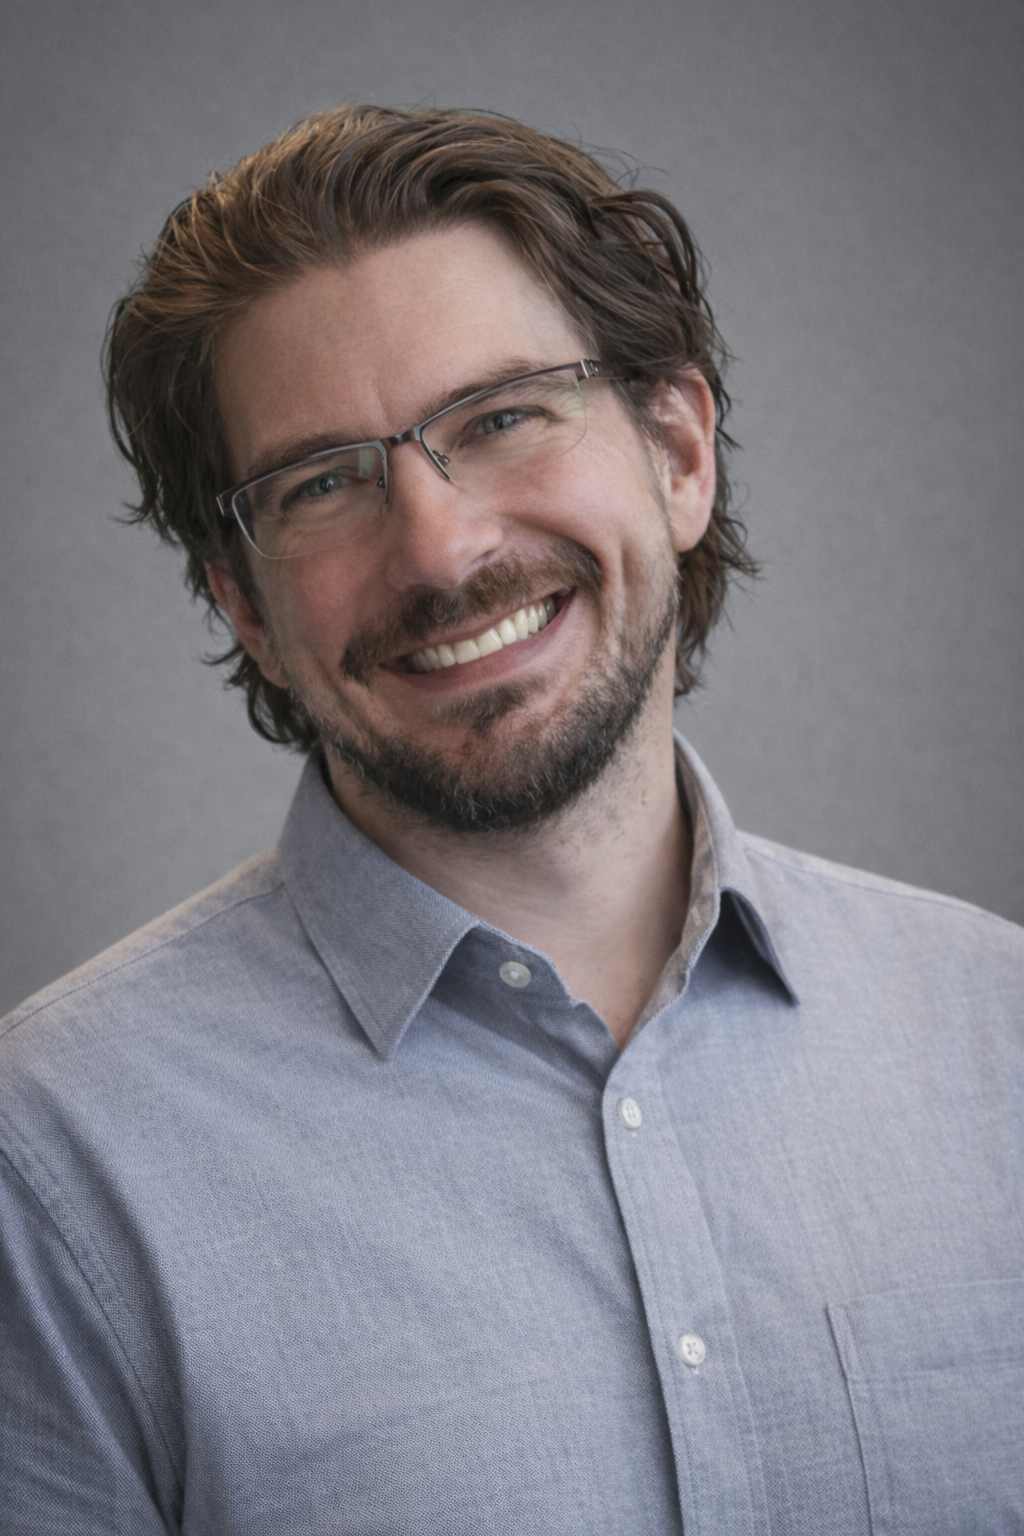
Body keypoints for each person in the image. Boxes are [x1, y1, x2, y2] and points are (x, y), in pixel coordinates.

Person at [1, 105, 1021, 1536]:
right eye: (322, 483)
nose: (440, 546)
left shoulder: (1000, 1038)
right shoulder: (50, 1172)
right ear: (245, 607)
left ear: (677, 451)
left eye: (501, 417)